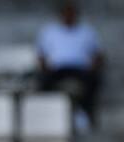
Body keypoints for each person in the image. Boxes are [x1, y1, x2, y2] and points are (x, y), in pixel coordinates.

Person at [37, 1, 104, 129]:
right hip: (57, 69)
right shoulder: (49, 31)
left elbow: (98, 55)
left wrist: (93, 67)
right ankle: (47, 115)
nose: (69, 16)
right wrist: (45, 68)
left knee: (94, 81)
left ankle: (87, 112)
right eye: (66, 13)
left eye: (71, 13)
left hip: (80, 69)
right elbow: (41, 55)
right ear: (61, 15)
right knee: (43, 82)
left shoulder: (87, 31)